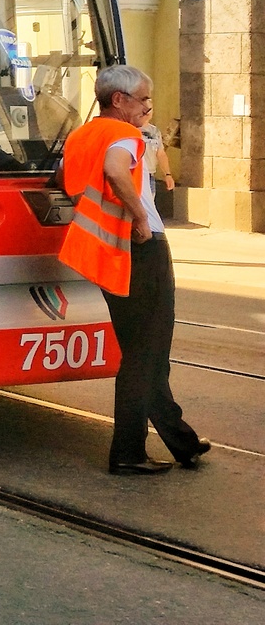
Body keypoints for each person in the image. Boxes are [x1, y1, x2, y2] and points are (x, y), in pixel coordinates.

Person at [59, 65, 208, 475]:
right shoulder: (123, 134)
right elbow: (114, 170)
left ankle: (182, 441)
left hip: (107, 250)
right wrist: (141, 217)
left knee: (143, 351)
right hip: (140, 248)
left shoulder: (80, 134)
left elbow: (71, 182)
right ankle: (128, 452)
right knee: (147, 353)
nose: (148, 106)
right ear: (119, 100)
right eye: (142, 98)